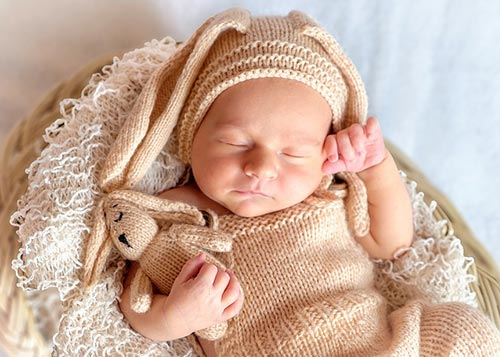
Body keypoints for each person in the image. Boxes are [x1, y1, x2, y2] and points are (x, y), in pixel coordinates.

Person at [113, 8, 500, 356]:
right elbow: (137, 306)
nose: (261, 167)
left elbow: (393, 243)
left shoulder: (326, 193)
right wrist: (177, 316)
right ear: (191, 135)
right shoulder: (176, 213)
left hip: (382, 343)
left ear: (322, 156)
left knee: (464, 329)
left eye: (293, 153)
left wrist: (375, 167)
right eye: (235, 142)